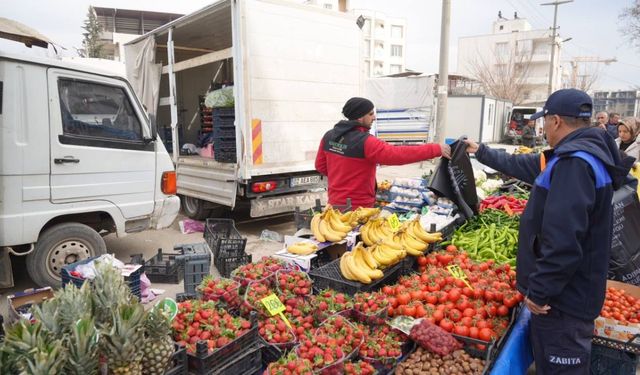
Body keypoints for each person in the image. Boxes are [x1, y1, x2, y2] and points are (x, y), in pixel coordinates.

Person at [464, 89, 635, 374]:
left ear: (556, 121)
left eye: (544, 122)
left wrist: (539, 292)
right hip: (573, 293)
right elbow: (524, 165)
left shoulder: (574, 165)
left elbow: (564, 242)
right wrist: (479, 151)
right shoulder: (578, 155)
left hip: (564, 303)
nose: (542, 128)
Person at [315, 97, 451, 208]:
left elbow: (320, 166)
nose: (374, 117)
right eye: (370, 114)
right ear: (360, 117)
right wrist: (435, 149)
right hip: (358, 207)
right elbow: (397, 154)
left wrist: (342, 177)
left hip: (334, 204)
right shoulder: (366, 142)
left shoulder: (329, 136)